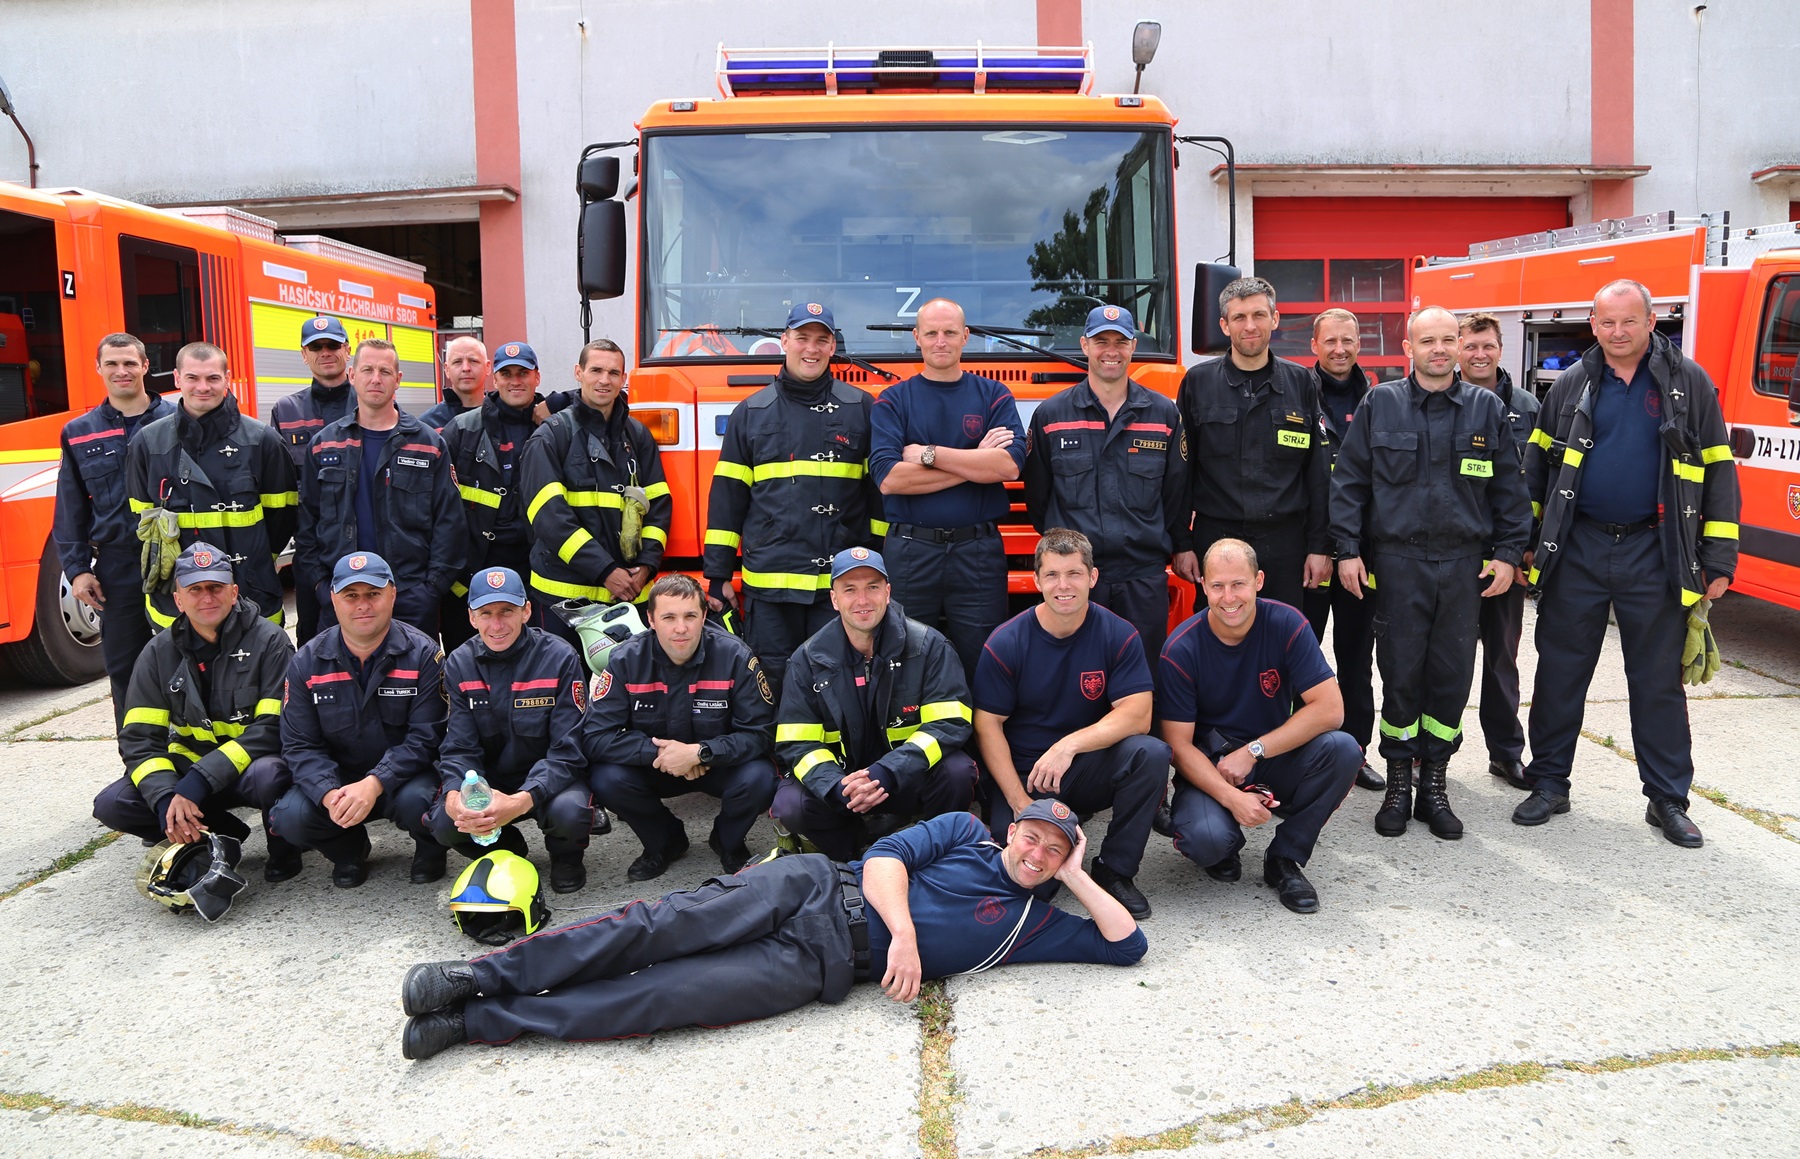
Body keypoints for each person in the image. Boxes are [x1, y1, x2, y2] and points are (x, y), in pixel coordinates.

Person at [397, 799, 1145, 1059]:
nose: (1034, 852)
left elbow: (1128, 943)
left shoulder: (1032, 921)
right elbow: (884, 857)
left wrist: (1078, 872)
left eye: (1051, 850)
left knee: (662, 997)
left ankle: (480, 1022)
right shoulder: (962, 829)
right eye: (1032, 837)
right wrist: (907, 938)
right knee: (655, 926)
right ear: (1011, 828)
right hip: (811, 885)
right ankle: (478, 975)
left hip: (816, 967)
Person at [1515, 280, 1740, 847]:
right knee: (1560, 672)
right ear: (1592, 325)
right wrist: (1524, 541)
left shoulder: (1688, 384)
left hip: (1657, 550)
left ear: (1651, 322)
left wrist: (1719, 556)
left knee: (1658, 680)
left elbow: (1718, 471)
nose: (1618, 332)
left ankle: (1667, 798)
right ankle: (1549, 783)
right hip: (1579, 549)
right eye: (1607, 322)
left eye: (1629, 321)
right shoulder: (1570, 383)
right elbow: (1537, 470)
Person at [1329, 307, 1533, 840]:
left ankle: (1435, 786)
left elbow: (1511, 490)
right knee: (1399, 673)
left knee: (1450, 677)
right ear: (1408, 347)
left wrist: (1510, 555)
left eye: (1448, 339)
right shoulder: (1380, 404)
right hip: (1397, 565)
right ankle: (1399, 784)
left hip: (1464, 567)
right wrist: (1347, 550)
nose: (1439, 349)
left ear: (1459, 344)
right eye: (1428, 340)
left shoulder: (1486, 409)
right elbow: (1350, 483)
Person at [973, 528, 1168, 919]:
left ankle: (1115, 871)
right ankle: (1045, 831)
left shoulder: (1117, 633)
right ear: (1037, 579)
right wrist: (1019, 803)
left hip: (1084, 767)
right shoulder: (1007, 641)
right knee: (1032, 888)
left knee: (1150, 753)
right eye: (1053, 575)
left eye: (1075, 574)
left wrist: (1068, 746)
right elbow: (987, 725)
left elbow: (1139, 714)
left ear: (1093, 578)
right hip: (1026, 777)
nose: (1064, 586)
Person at [1159, 539, 1360, 913]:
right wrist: (1232, 798)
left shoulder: (1286, 623)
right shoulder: (1181, 648)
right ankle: (1226, 843)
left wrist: (1254, 751)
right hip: (1213, 767)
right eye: (1217, 585)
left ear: (1259, 581)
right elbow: (1179, 747)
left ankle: (1284, 858)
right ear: (1203, 585)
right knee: (1206, 842)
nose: (1228, 597)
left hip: (1268, 754)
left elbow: (1331, 709)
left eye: (1238, 584)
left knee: (1343, 749)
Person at [703, 302, 884, 695]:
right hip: (771, 585)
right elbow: (727, 499)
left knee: (840, 683)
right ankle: (776, 757)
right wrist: (717, 577)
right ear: (784, 341)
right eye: (802, 338)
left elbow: (878, 497)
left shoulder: (862, 408)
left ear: (833, 346)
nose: (811, 349)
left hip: (840, 585)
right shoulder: (750, 412)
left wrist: (881, 565)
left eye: (822, 340)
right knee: (772, 682)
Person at [556, 574, 777, 880]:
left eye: (690, 616)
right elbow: (595, 736)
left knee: (761, 776)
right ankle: (664, 841)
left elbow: (760, 734)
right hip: (656, 766)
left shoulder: (735, 656)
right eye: (669, 617)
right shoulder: (625, 660)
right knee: (606, 777)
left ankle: (728, 841)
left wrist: (700, 753)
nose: (681, 627)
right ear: (650, 619)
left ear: (703, 617)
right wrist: (663, 753)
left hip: (718, 764)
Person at [94, 542, 296, 875]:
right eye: (195, 589)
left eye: (216, 588)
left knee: (272, 775)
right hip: (188, 766)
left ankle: (284, 849)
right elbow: (139, 739)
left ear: (233, 592)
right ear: (178, 599)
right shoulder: (157, 652)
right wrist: (163, 797)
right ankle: (219, 832)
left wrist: (199, 781)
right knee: (113, 804)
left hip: (249, 768)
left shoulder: (270, 641)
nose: (206, 598)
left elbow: (274, 727)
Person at [771, 547, 978, 861]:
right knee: (790, 804)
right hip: (843, 785)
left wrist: (888, 771)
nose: (863, 600)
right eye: (850, 590)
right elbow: (796, 742)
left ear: (888, 591)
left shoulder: (929, 646)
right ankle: (847, 859)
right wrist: (835, 787)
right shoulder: (807, 660)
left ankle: (934, 854)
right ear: (834, 599)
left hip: (905, 776)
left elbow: (950, 724)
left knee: (957, 772)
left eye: (872, 587)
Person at [1022, 304, 1193, 668]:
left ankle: (1142, 729)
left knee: (1144, 673)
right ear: (1085, 345)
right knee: (1076, 672)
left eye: (1121, 341)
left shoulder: (1163, 414)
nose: (1111, 350)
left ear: (1133, 348)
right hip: (1076, 577)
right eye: (1102, 341)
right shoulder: (1051, 415)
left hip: (1142, 576)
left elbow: (1176, 493)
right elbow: (1038, 497)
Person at [267, 552, 446, 887]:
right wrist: (327, 793)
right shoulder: (307, 662)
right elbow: (299, 744)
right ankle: (348, 850)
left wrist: (375, 782)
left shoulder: (423, 655)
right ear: (334, 600)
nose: (363, 605)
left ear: (392, 594)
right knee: (290, 816)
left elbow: (426, 739)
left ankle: (430, 849)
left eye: (373, 594)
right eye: (351, 596)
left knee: (425, 801)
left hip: (403, 779)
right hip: (341, 779)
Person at [869, 298, 1025, 680]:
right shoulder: (893, 399)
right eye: (932, 333)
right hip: (910, 552)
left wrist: (928, 454)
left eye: (951, 332)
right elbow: (890, 478)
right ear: (917, 337)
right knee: (905, 660)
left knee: (986, 662)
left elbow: (1008, 465)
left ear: (966, 337)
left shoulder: (995, 395)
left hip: (978, 554)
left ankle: (979, 741)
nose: (942, 341)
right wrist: (975, 463)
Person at [428, 566, 595, 892]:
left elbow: (568, 749)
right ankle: (507, 850)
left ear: (526, 611)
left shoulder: (560, 657)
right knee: (446, 822)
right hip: (488, 781)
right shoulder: (459, 664)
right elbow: (459, 747)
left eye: (507, 611)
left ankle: (566, 858)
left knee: (571, 811)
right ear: (472, 617)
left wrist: (520, 801)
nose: (497, 624)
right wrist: (454, 796)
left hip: (551, 777)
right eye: (486, 613)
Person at [1178, 276, 1332, 612]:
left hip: (1285, 543)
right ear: (1224, 325)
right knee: (1217, 639)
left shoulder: (1301, 382)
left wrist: (1319, 546)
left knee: (1281, 641)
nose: (1250, 326)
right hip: (1216, 540)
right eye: (1239, 317)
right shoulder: (1197, 384)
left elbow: (1318, 473)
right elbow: (1180, 471)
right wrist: (1181, 543)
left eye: (1259, 315)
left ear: (1275, 319)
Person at [297, 338, 464, 639]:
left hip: (409, 598)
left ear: (398, 380)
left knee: (412, 684)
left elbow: (450, 524)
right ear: (352, 375)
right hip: (342, 596)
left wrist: (430, 590)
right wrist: (322, 586)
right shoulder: (324, 445)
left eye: (385, 372)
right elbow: (307, 524)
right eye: (368, 370)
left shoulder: (428, 445)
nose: (376, 379)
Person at [127, 342, 297, 633]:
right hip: (177, 598)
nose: (202, 387)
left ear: (227, 379)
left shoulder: (263, 441)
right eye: (192, 378)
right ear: (177, 379)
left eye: (212, 378)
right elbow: (140, 517)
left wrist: (254, 557)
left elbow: (283, 517)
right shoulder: (147, 443)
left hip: (250, 591)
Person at [54, 333, 175, 723]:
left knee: (185, 662)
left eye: (129, 363)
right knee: (125, 670)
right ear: (99, 369)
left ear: (144, 366)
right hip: (117, 568)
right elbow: (70, 507)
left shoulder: (178, 420)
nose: (121, 371)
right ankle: (139, 765)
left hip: (177, 561)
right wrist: (77, 569)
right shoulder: (79, 432)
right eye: (112, 364)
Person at [519, 339, 671, 645]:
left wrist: (646, 566)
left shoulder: (638, 436)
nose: (605, 380)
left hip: (627, 598)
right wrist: (604, 570)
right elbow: (549, 518)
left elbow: (659, 506)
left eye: (614, 373)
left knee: (625, 690)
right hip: (564, 603)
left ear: (624, 379)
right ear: (578, 372)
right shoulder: (550, 436)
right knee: (566, 688)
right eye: (596, 370)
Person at [1299, 309, 1384, 792]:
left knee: (1356, 656)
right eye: (1330, 341)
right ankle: (1300, 749)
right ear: (1315, 344)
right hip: (1309, 552)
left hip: (1361, 555)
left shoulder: (1380, 399)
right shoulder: (1293, 392)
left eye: (1348, 341)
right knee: (1299, 657)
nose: (1339, 349)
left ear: (1359, 344)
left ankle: (1354, 753)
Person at [1458, 312, 1541, 791]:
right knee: (1445, 659)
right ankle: (1436, 754)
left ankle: (1505, 753)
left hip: (1506, 555)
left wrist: (1526, 550)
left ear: (1500, 347)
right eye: (1470, 346)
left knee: (1502, 661)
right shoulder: (1442, 401)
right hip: (1456, 552)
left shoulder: (1529, 407)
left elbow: (1538, 481)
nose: (1479, 354)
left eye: (1487, 345)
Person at [440, 341, 547, 654]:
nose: (515, 380)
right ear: (495, 378)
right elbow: (441, 509)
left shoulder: (555, 429)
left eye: (523, 373)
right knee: (470, 662)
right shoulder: (461, 431)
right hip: (472, 572)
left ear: (537, 377)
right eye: (507, 373)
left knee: (534, 662)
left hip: (535, 571)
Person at [271, 316, 358, 645]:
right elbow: (283, 488)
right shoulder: (286, 410)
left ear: (347, 350)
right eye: (316, 347)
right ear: (304, 355)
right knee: (315, 642)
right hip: (312, 554)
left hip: (367, 544)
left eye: (333, 345)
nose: (326, 352)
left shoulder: (371, 401)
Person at [421, 335, 491, 432]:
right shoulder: (428, 425)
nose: (466, 368)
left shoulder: (503, 418)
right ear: (447, 369)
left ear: (487, 367)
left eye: (473, 361)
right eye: (457, 362)